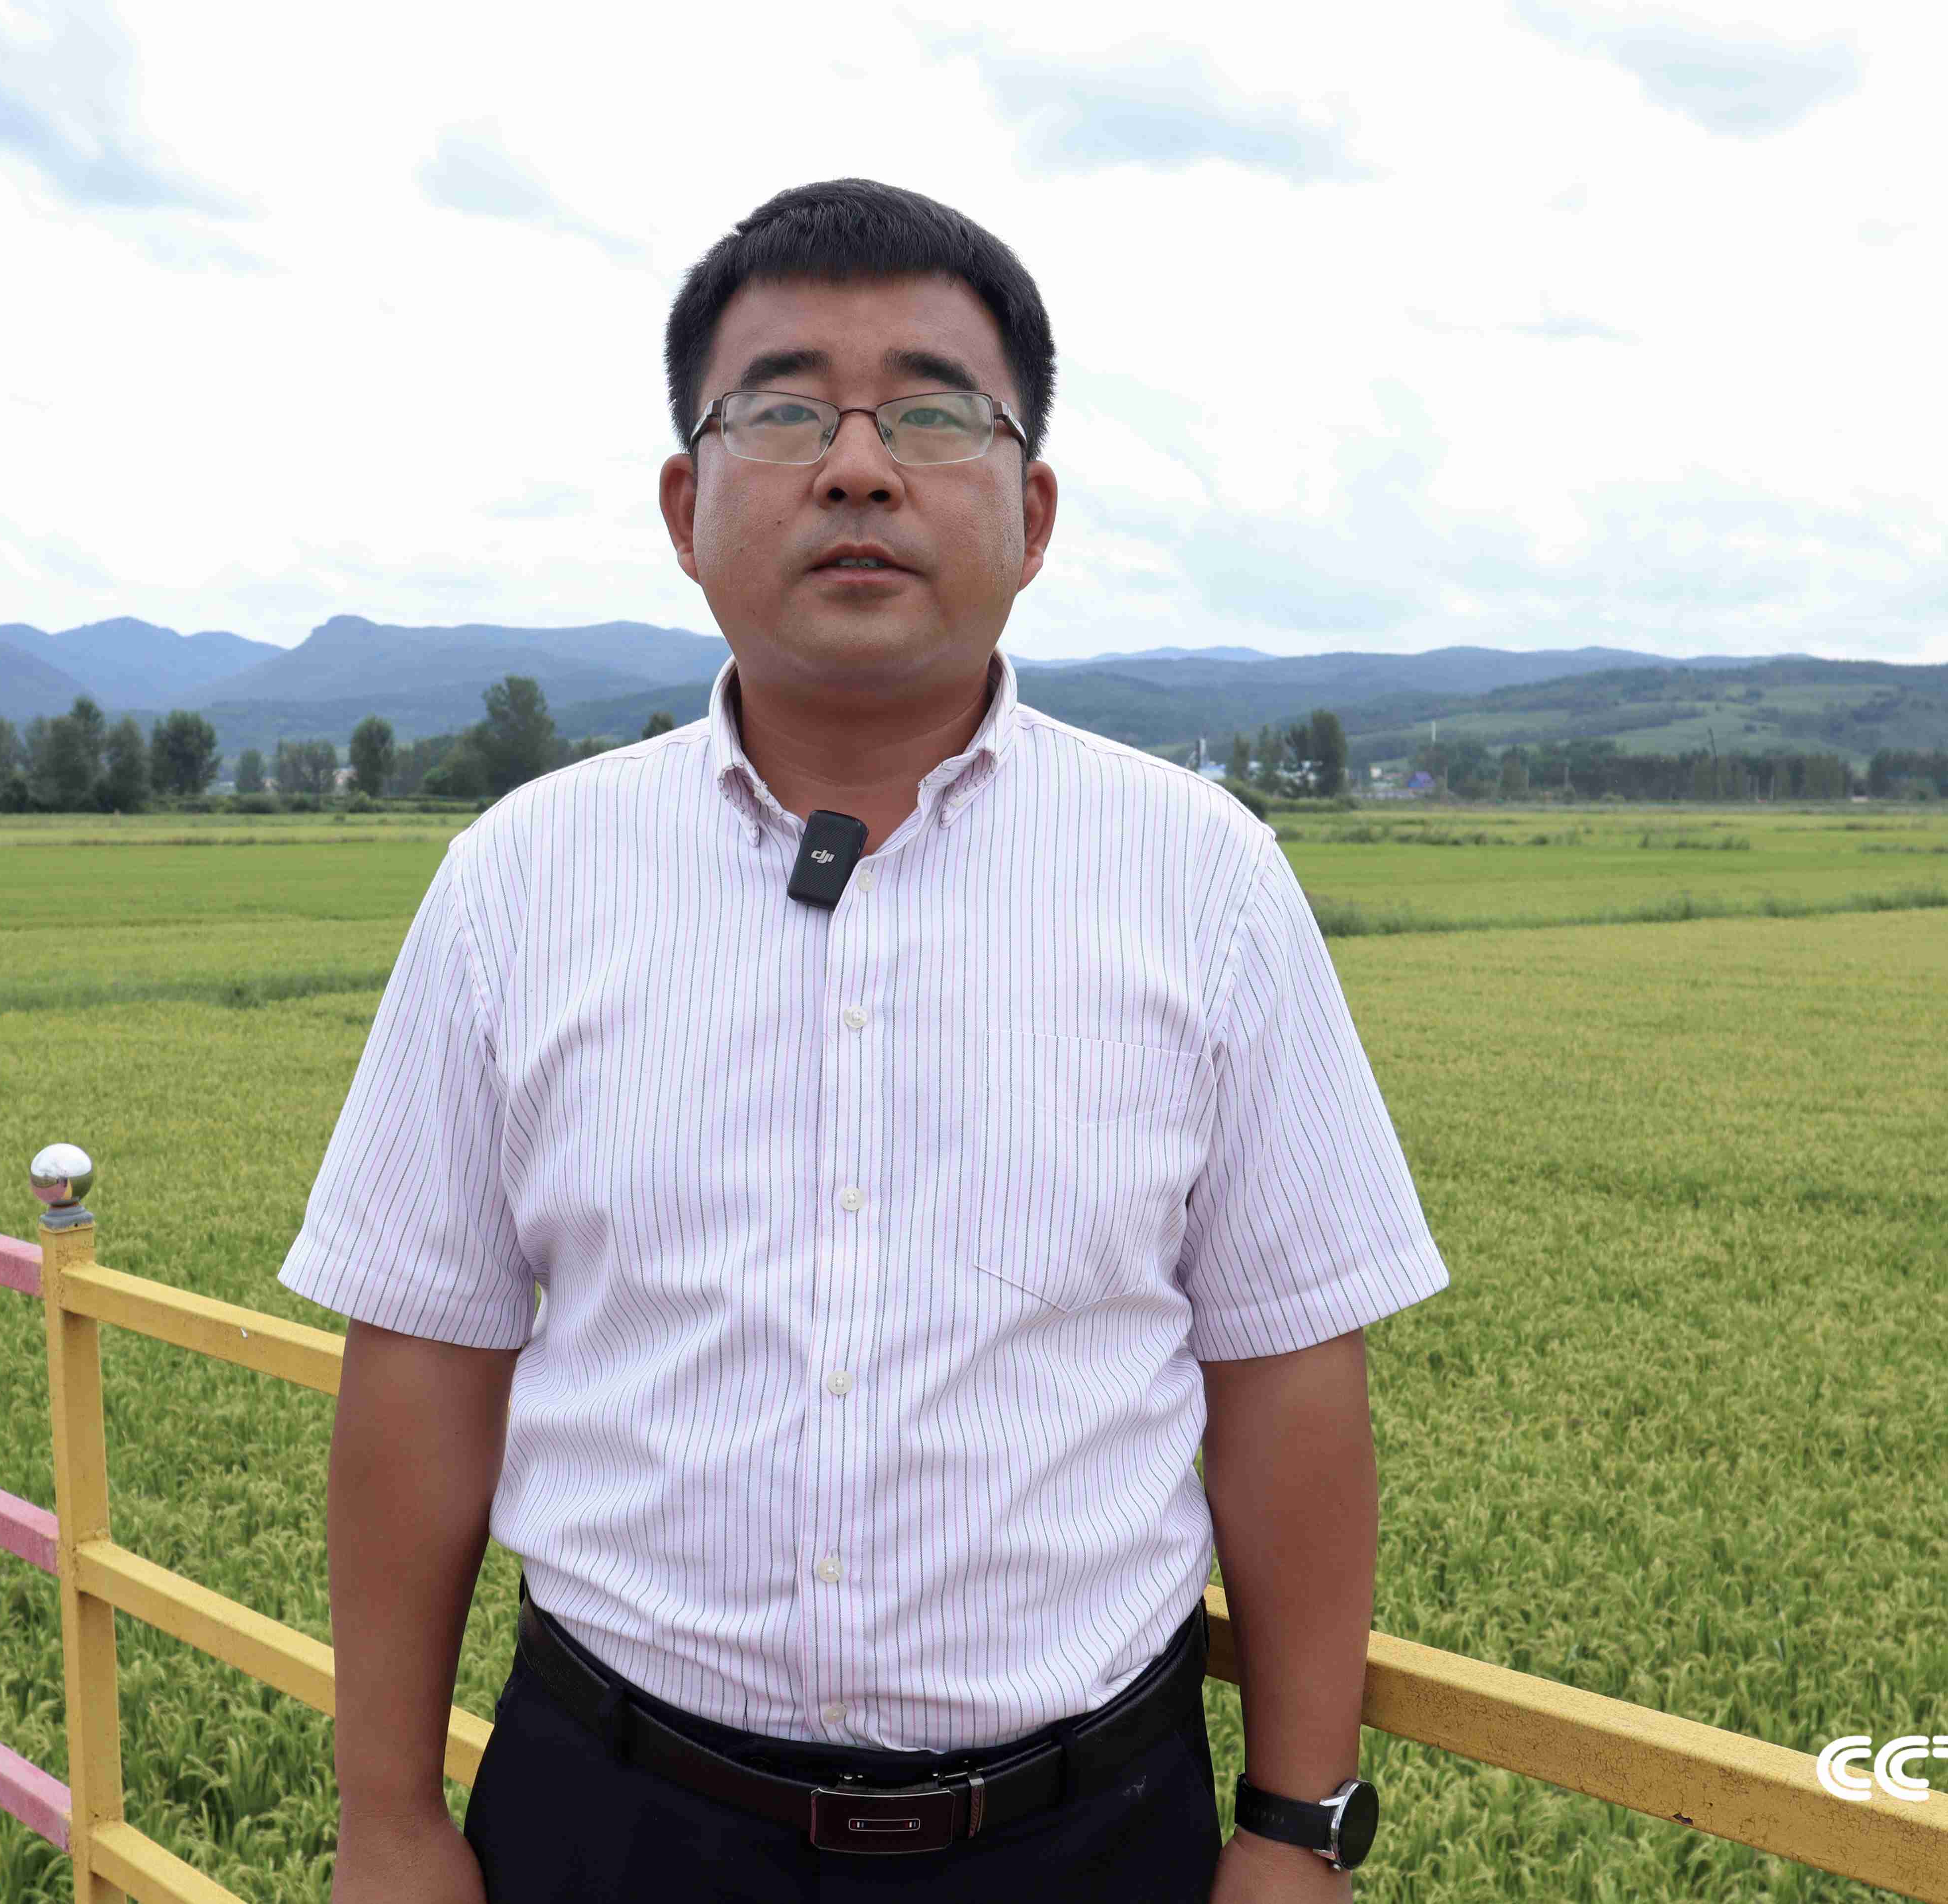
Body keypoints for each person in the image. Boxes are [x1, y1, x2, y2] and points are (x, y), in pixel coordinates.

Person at [279, 177, 1448, 1903]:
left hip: (1083, 1836)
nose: (856, 467)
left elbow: (1286, 1378)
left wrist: (1295, 1832)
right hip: (609, 1816)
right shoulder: (517, 881)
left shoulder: (1205, 883)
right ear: (684, 507)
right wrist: (386, 1811)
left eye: (930, 412)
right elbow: (424, 1366)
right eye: (782, 410)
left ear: (1032, 513)